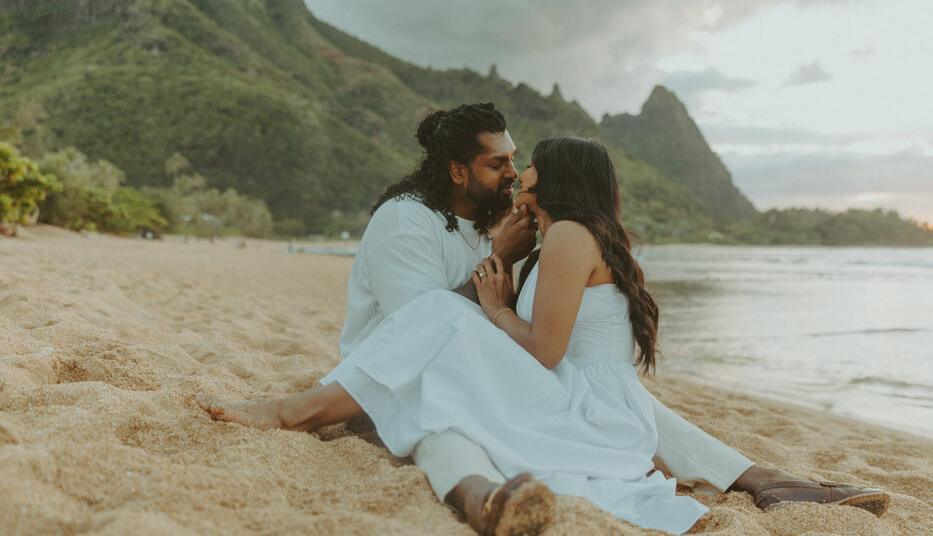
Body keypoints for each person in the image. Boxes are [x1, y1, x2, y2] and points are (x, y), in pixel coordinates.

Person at [198, 104, 889, 533]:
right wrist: (496, 281)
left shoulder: (534, 234)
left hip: (516, 374)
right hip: (389, 380)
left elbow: (529, 341)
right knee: (448, 390)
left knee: (578, 387)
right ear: (458, 170)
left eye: (519, 165)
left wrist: (498, 287)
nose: (512, 173)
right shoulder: (412, 224)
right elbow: (415, 342)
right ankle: (481, 497)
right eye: (500, 163)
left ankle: (760, 477)